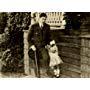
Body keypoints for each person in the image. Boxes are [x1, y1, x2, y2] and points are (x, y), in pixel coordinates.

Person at [28, 13, 54, 77]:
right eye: (42, 19)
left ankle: (47, 72)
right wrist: (32, 46)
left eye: (45, 19)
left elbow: (49, 37)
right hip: (35, 47)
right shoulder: (34, 26)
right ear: (39, 18)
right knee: (35, 60)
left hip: (43, 47)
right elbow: (28, 38)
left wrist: (52, 43)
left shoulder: (47, 26)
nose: (44, 20)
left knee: (46, 58)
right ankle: (37, 74)